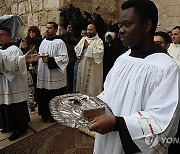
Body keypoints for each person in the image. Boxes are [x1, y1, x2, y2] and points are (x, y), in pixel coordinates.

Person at [89, 1, 180, 154]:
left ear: (147, 26)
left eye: (127, 24)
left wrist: (117, 124)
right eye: (120, 26)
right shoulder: (122, 59)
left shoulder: (167, 68)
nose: (121, 31)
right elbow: (109, 92)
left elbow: (163, 120)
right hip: (107, 141)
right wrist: (92, 106)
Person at [0, 27, 30, 141]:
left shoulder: (14, 50)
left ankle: (20, 128)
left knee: (15, 106)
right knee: (5, 104)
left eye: (2, 34)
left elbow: (18, 66)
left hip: (14, 84)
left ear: (9, 36)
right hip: (3, 84)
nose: (0, 37)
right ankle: (8, 125)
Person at [35, 21, 69, 122]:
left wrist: (49, 60)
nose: (47, 30)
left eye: (50, 28)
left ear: (55, 30)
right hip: (43, 73)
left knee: (54, 96)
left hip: (54, 75)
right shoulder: (43, 41)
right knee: (44, 94)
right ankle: (45, 114)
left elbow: (64, 59)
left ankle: (55, 115)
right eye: (46, 28)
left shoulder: (60, 42)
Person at [75, 24, 104, 96]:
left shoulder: (99, 41)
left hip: (93, 68)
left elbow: (100, 53)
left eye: (91, 30)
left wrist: (88, 47)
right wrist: (82, 49)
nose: (89, 31)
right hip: (83, 64)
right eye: (88, 29)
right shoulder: (83, 39)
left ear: (95, 30)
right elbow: (77, 48)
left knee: (91, 86)